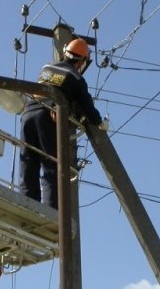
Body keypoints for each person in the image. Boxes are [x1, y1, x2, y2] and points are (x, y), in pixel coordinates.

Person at [19, 38, 107, 209]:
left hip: (28, 113)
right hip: (49, 116)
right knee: (51, 166)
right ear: (82, 61)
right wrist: (99, 123)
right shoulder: (76, 78)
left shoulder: (47, 67)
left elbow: (50, 87)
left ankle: (27, 205)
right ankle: (52, 213)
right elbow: (87, 107)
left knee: (28, 163)